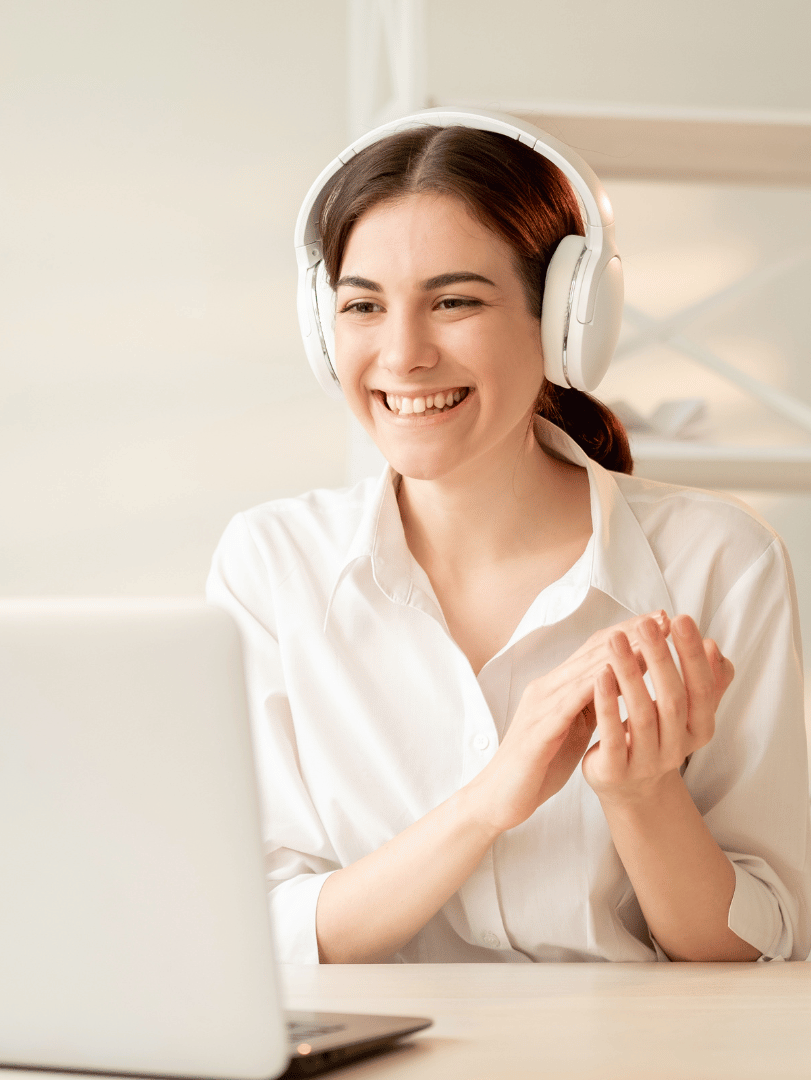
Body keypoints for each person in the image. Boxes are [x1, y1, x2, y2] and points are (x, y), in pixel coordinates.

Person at [207, 116, 811, 965]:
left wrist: (642, 799)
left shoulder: (717, 561)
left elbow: (763, 947)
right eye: (364, 306)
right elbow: (261, 929)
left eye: (455, 301)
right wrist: (490, 801)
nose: (404, 354)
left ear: (567, 319)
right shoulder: (273, 565)